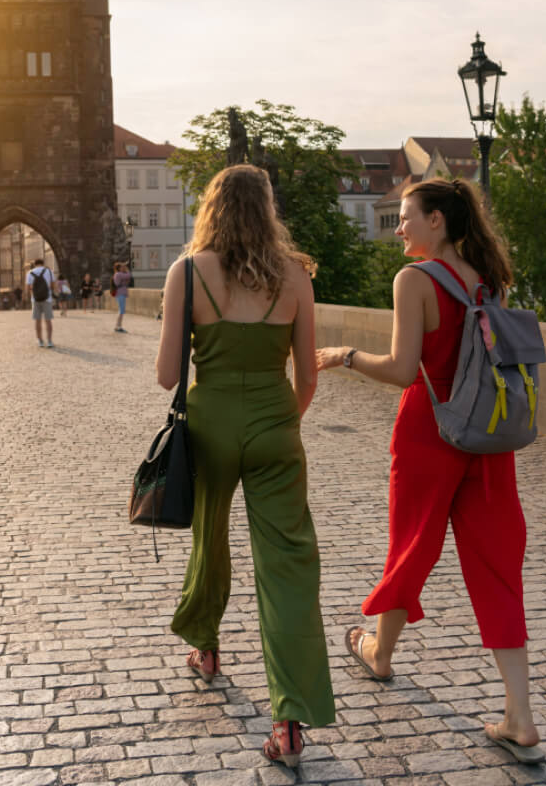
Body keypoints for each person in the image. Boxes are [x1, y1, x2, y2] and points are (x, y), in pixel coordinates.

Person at [314, 177, 542, 764]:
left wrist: (343, 356)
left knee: (411, 546)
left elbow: (401, 369)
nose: (399, 226)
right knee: (497, 566)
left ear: (437, 220)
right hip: (486, 436)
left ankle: (379, 653)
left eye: (407, 216)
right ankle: (520, 714)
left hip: (429, 430)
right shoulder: (485, 280)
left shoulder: (413, 280)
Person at [155, 164, 331, 768]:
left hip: (210, 423)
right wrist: (284, 420)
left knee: (211, 535)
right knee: (286, 563)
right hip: (274, 420)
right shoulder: (296, 277)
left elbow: (165, 375)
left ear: (212, 209)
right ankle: (290, 717)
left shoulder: (186, 272)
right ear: (268, 210)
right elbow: (308, 375)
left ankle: (204, 646)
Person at [26, 257, 56, 348]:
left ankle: (40, 341)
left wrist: (33, 294)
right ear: (43, 263)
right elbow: (52, 285)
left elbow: (28, 288)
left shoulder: (30, 273)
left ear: (35, 264)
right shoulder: (49, 271)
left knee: (37, 321)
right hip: (47, 298)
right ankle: (49, 341)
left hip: (35, 299)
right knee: (48, 320)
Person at [111, 261, 131, 332]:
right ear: (119, 268)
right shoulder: (118, 274)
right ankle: (118, 326)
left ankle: (118, 326)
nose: (123, 268)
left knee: (121, 311)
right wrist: (127, 269)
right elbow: (128, 275)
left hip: (120, 294)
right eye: (122, 267)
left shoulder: (117, 274)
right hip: (120, 294)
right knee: (121, 311)